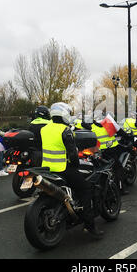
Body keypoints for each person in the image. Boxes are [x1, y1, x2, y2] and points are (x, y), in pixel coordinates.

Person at [40, 102, 103, 238]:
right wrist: (75, 165)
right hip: (62, 168)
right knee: (86, 188)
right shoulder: (65, 130)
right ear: (65, 114)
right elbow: (73, 155)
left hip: (47, 168)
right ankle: (89, 225)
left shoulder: (44, 129)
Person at [82, 110, 130, 195]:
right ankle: (121, 188)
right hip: (111, 151)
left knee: (98, 170)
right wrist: (129, 137)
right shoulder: (108, 123)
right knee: (118, 169)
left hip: (97, 152)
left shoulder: (91, 127)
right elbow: (121, 132)